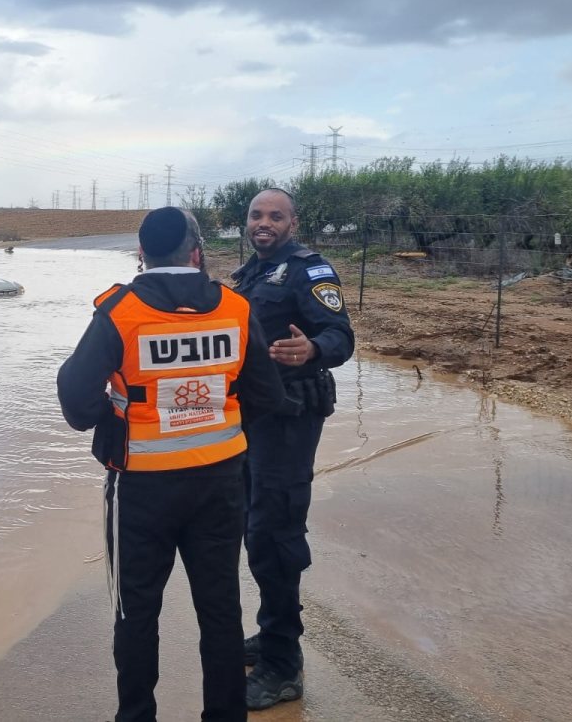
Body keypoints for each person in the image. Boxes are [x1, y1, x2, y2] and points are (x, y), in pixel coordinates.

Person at [57, 206, 300, 722]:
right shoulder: (235, 309)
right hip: (221, 485)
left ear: (142, 254)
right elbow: (264, 396)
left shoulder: (118, 311)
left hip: (141, 491)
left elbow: (76, 402)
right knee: (220, 612)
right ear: (196, 253)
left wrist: (117, 412)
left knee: (136, 612)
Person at [230, 188, 355, 711]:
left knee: (275, 533)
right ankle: (273, 632)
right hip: (254, 418)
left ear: (292, 222)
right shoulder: (251, 272)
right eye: (257, 215)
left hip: (290, 418)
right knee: (254, 529)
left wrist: (314, 349)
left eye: (275, 216)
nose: (264, 223)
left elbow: (341, 336)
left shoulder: (310, 270)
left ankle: (283, 667)